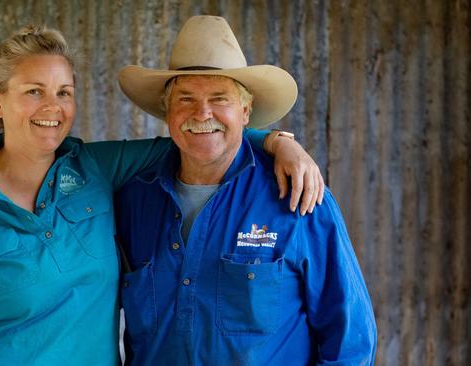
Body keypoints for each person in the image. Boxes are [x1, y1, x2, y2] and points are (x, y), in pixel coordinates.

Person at [0, 25, 324, 365]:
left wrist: (278, 141)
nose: (52, 107)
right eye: (33, 91)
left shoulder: (98, 169)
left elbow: (202, 134)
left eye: (64, 92)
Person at [115, 15, 377, 365]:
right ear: (167, 110)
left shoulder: (297, 195)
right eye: (186, 99)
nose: (202, 112)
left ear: (246, 110)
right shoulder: (132, 200)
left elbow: (350, 341)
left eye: (219, 98)